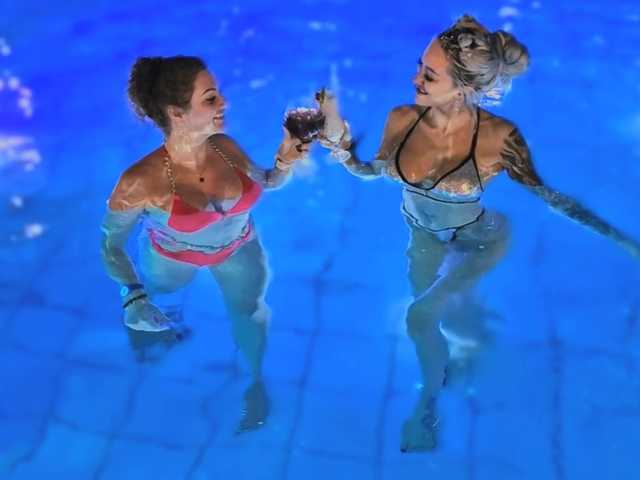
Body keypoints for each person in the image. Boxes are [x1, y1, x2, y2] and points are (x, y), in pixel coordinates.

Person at [315, 14, 640, 451]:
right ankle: (454, 350)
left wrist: (623, 241)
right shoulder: (401, 119)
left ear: (463, 86)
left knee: (419, 316)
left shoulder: (497, 138)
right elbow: (371, 171)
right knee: (434, 316)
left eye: (429, 75)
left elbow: (550, 197)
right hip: (422, 237)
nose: (415, 79)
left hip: (478, 241)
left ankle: (426, 408)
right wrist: (339, 144)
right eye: (419, 68)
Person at [100, 55, 313, 432]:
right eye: (211, 98)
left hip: (240, 247)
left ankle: (256, 383)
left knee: (250, 312)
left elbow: (266, 182)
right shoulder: (141, 181)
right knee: (159, 315)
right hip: (171, 259)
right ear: (176, 113)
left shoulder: (224, 147)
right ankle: (150, 358)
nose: (224, 103)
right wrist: (132, 296)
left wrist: (284, 162)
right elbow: (110, 243)